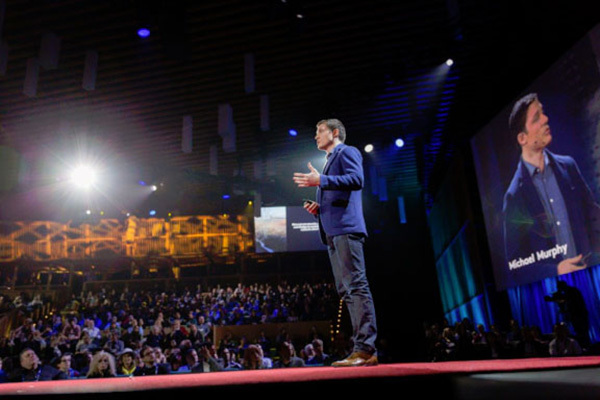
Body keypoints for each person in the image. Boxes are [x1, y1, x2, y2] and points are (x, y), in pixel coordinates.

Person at [293, 118, 378, 367]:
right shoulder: (330, 161)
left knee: (356, 286)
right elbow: (338, 198)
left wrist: (321, 181)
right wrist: (319, 209)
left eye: (320, 131)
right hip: (333, 233)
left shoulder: (347, 152)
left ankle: (365, 349)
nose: (316, 136)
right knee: (347, 290)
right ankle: (362, 349)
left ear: (335, 132)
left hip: (346, 230)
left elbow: (356, 180)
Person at [503, 93, 600, 285]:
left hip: (592, 275)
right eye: (536, 118)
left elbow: (594, 216)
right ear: (522, 138)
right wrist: (556, 271)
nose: (546, 119)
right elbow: (516, 266)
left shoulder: (568, 167)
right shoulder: (514, 196)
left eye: (543, 112)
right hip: (558, 287)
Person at [544, 280, 590, 349]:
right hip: (577, 315)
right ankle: (584, 346)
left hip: (578, 315)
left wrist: (553, 299)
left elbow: (568, 300)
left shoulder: (571, 292)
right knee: (581, 331)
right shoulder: (570, 291)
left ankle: (585, 346)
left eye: (559, 287)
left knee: (582, 332)